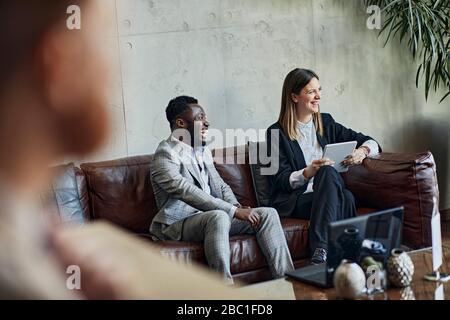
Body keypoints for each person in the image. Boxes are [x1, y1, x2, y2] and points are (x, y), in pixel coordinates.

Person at [0, 0, 247, 299]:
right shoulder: (19, 273)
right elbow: (186, 191)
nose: (116, 65)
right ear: (59, 63)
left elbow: (216, 185)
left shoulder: (29, 236)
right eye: (103, 39)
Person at [150, 96, 294, 284]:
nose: (206, 123)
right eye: (200, 117)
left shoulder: (202, 150)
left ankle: (288, 283)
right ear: (181, 123)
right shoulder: (165, 154)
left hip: (213, 216)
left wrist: (234, 205)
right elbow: (186, 190)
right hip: (178, 223)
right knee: (218, 216)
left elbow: (220, 185)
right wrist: (233, 211)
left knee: (267, 214)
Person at [266, 68, 381, 265]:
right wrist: (308, 172)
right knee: (334, 182)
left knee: (345, 194)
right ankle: (337, 250)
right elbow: (278, 179)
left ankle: (324, 254)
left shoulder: (326, 122)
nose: (318, 96)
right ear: (294, 96)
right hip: (298, 200)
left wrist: (362, 152)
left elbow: (372, 142)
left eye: (319, 90)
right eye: (311, 91)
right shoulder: (275, 133)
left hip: (328, 195)